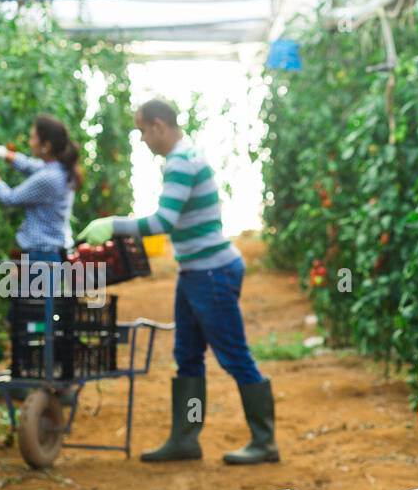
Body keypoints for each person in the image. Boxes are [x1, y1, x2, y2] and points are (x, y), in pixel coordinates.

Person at [77, 98, 278, 466]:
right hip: (195, 271)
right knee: (186, 357)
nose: (142, 139)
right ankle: (186, 438)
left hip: (212, 272)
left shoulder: (182, 163)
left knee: (234, 356)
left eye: (142, 131)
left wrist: (113, 224)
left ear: (159, 126)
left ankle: (264, 441)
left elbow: (162, 223)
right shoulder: (181, 160)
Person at [0, 114, 81, 264]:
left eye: (33, 138)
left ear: (46, 145)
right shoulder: (57, 169)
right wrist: (0, 152)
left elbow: (10, 198)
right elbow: (27, 165)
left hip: (42, 257)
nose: (30, 142)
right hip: (47, 255)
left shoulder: (49, 178)